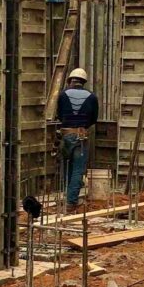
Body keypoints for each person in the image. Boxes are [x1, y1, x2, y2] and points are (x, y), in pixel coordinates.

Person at [56, 67, 99, 212]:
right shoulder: (92, 97)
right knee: (78, 170)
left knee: (67, 168)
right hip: (81, 136)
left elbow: (60, 114)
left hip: (65, 135)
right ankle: (71, 203)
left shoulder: (62, 95)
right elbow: (94, 118)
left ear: (70, 80)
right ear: (84, 81)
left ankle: (68, 196)